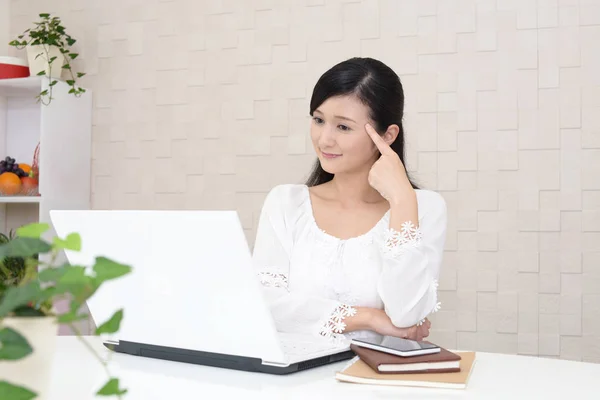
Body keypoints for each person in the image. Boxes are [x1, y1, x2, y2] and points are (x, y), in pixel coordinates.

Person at [251, 57, 447, 344]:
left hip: (379, 384)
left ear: (388, 135)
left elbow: (408, 314)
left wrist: (402, 199)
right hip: (293, 384)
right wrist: (369, 318)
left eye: (343, 127)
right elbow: (264, 305)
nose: (324, 139)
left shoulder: (423, 207)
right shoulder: (286, 203)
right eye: (318, 120)